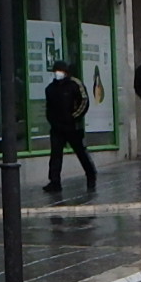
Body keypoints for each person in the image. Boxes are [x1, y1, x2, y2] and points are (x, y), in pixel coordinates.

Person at [42, 59, 97, 193]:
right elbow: (49, 108)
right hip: (57, 127)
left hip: (73, 127)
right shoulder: (50, 89)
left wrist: (74, 117)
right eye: (55, 71)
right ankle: (54, 182)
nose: (57, 74)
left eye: (60, 71)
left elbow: (84, 102)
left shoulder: (75, 85)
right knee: (55, 155)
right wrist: (52, 121)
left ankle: (91, 175)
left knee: (81, 152)